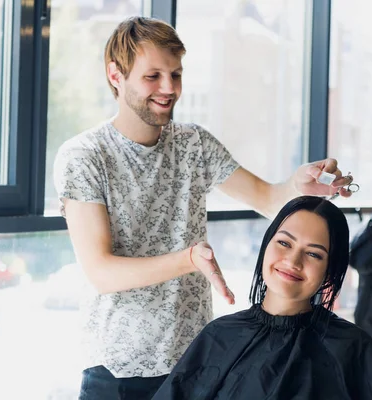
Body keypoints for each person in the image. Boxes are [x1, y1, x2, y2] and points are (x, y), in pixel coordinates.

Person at [53, 16, 354, 399]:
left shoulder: (193, 143)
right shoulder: (85, 156)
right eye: (153, 76)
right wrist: (190, 259)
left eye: (176, 75)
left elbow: (266, 198)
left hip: (195, 364)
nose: (168, 89)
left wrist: (299, 186)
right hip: (117, 370)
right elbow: (101, 271)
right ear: (116, 75)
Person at [152, 196, 372, 400]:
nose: (293, 261)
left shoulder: (352, 347)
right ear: (266, 245)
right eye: (284, 243)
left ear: (330, 270)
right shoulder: (218, 335)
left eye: (313, 253)